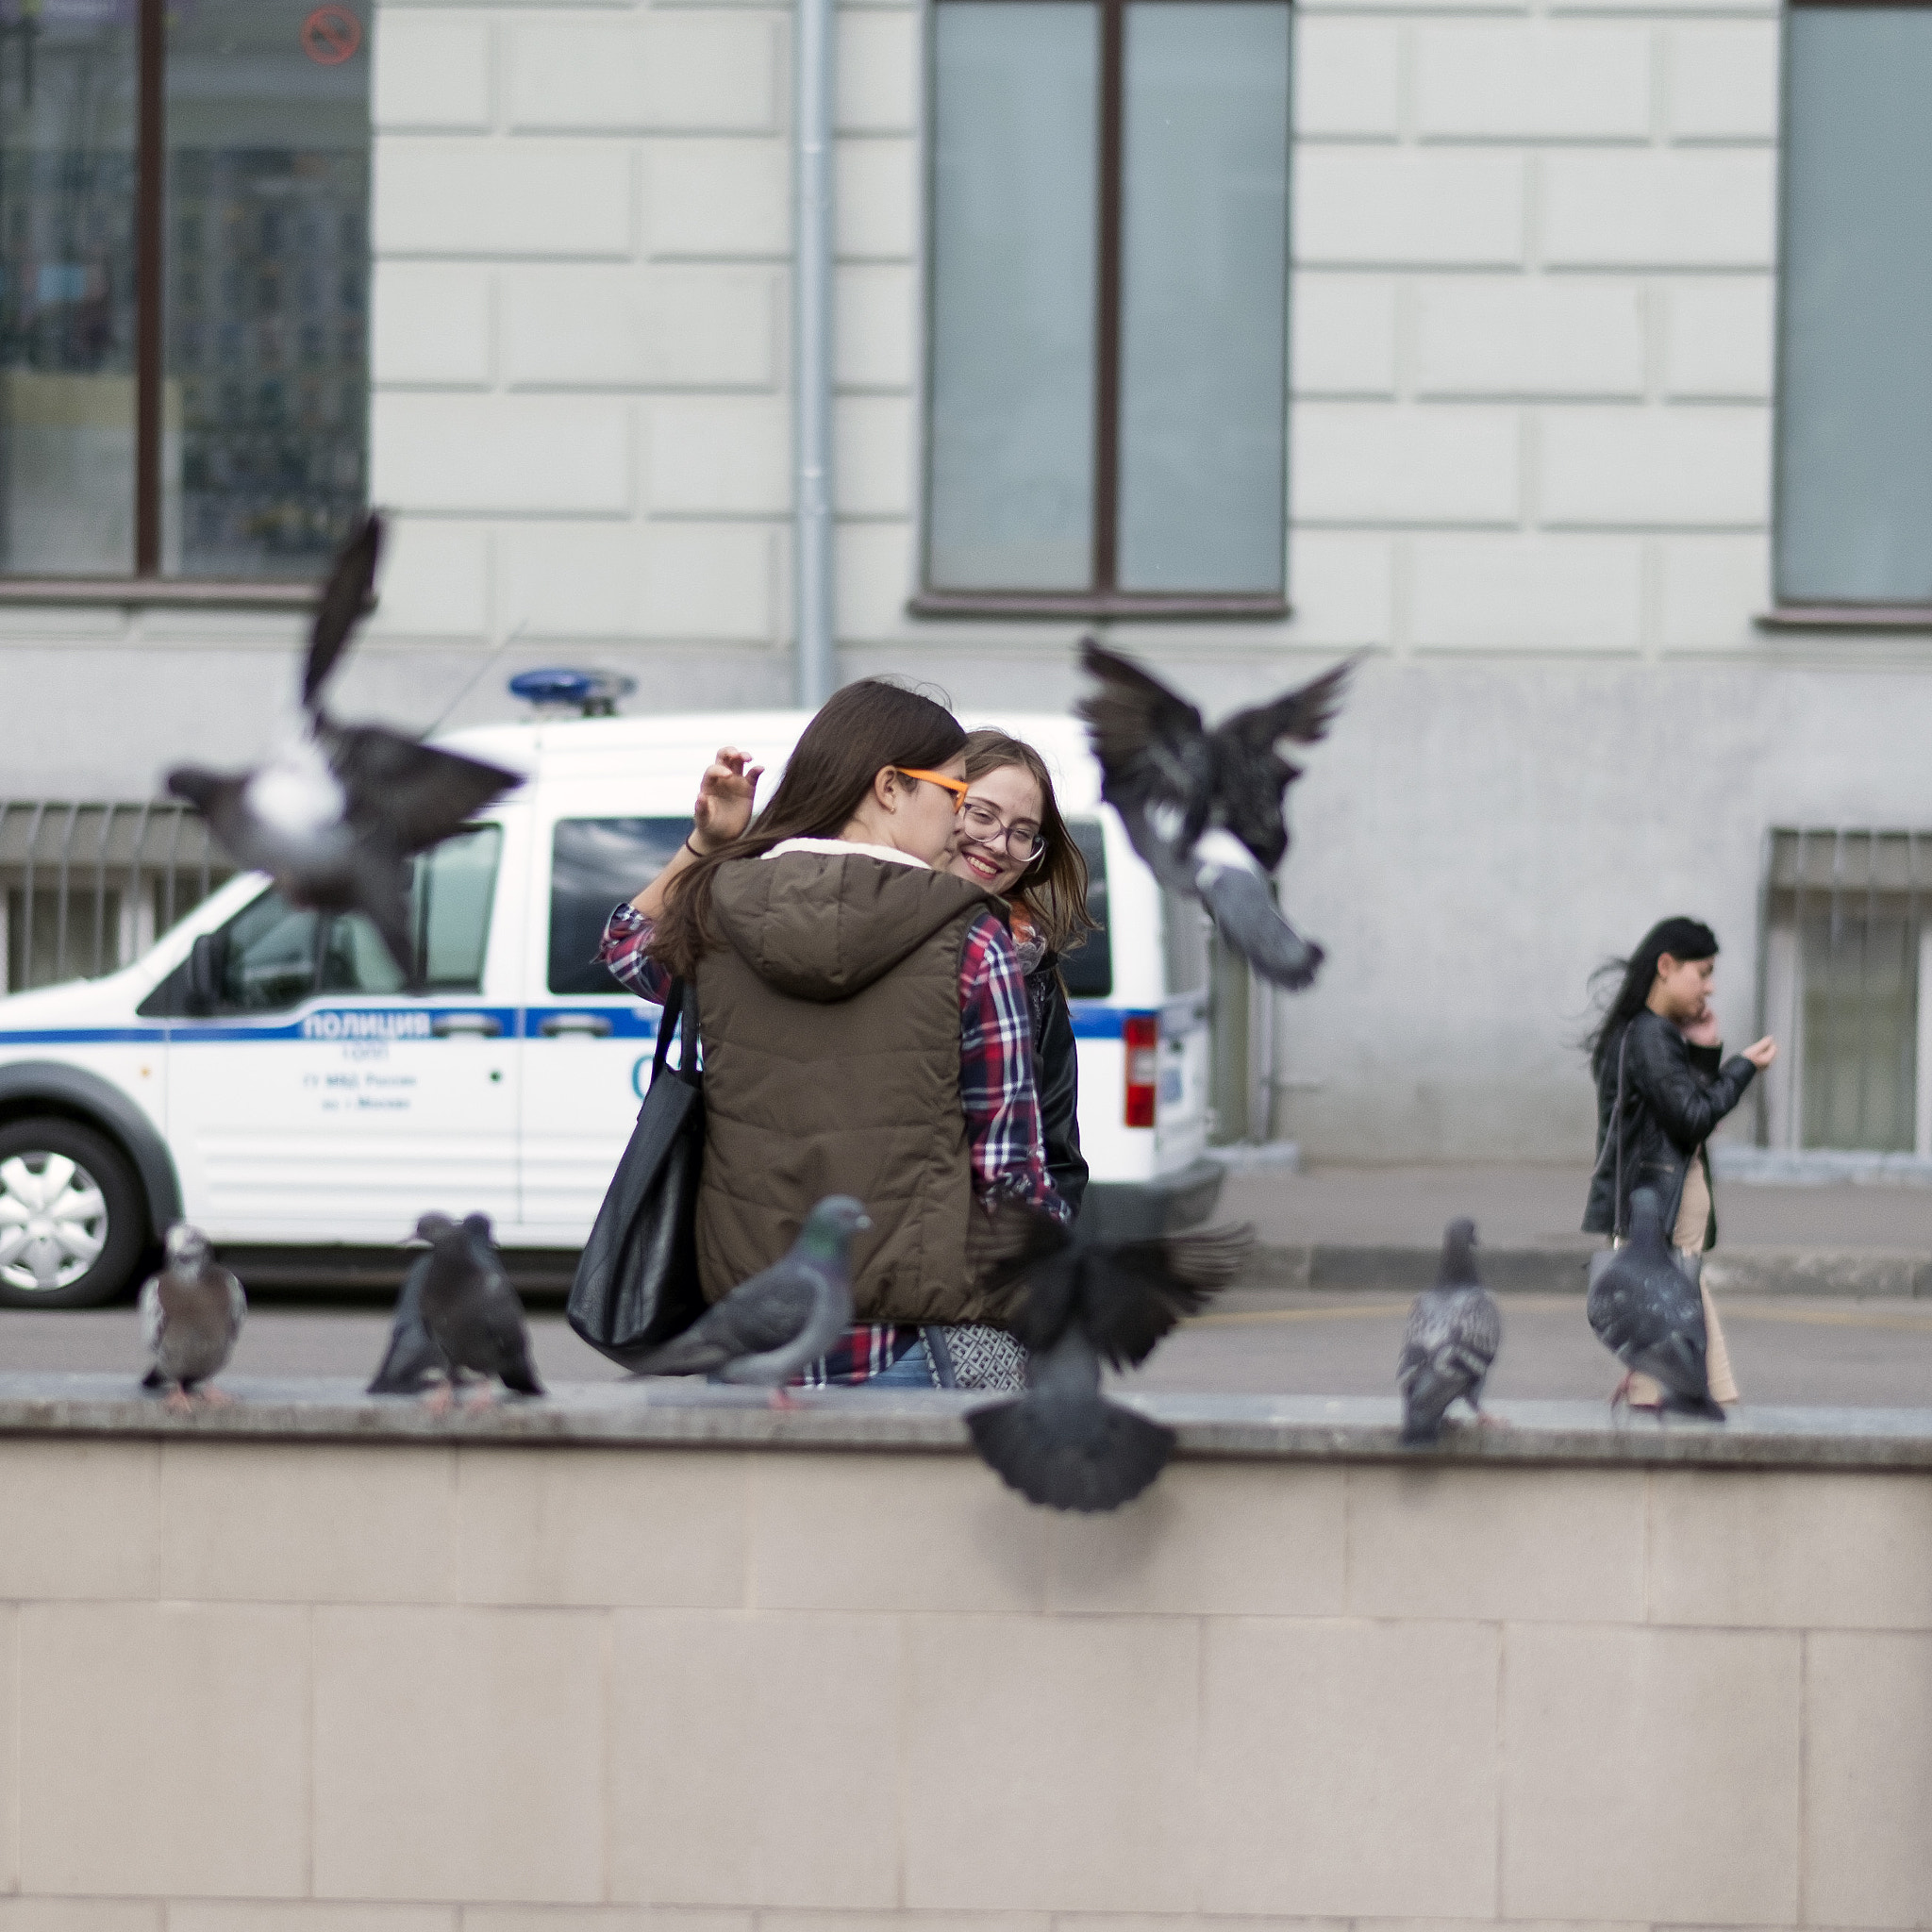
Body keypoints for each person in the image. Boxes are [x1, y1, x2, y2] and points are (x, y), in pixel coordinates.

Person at [597, 681, 1063, 1391]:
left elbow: (627, 944)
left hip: (750, 1344)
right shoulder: (973, 942)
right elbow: (1012, 1175)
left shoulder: (719, 920)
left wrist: (707, 845)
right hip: (913, 1346)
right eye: (955, 795)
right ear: (888, 788)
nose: (961, 823)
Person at [1582, 915, 1777, 1407]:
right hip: (1661, 1199)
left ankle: (1695, 1400)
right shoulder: (1651, 1036)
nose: (1709, 989)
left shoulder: (1638, 1033)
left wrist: (1706, 1052)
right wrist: (1742, 1068)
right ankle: (1705, 1403)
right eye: (1703, 972)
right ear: (1666, 966)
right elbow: (1692, 1118)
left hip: (1652, 1195)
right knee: (1674, 1309)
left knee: (1671, 1309)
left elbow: (1671, 1105)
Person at [944, 728, 1093, 1216]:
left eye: (1023, 832)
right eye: (982, 815)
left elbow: (1058, 1156)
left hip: (996, 1260)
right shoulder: (870, 930)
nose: (998, 844)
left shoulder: (1031, 968)